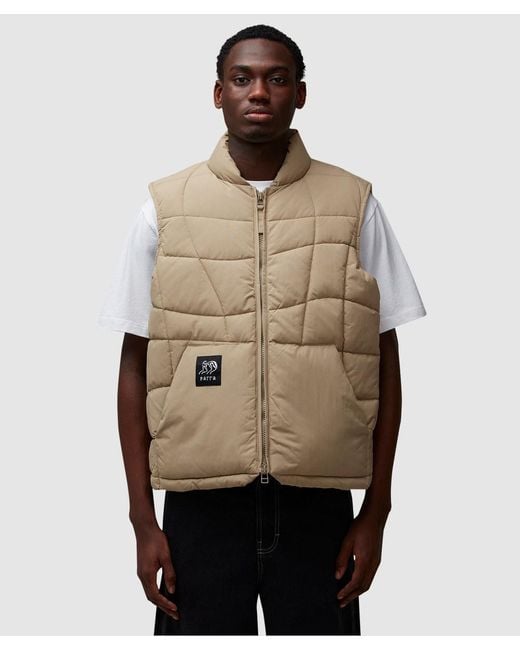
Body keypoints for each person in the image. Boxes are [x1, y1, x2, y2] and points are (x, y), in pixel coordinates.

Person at [98, 24, 426, 635]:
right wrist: (143, 520)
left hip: (320, 503)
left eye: (276, 78)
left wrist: (376, 511)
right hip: (199, 505)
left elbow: (385, 358)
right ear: (217, 93)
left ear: (300, 94)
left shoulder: (354, 204)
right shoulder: (164, 208)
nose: (258, 92)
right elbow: (135, 364)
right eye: (241, 78)